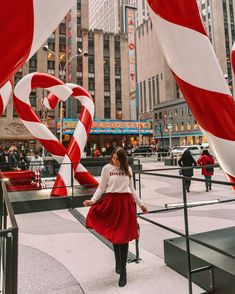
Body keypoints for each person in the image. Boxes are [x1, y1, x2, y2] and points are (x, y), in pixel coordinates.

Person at [83, 147, 148, 287]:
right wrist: (93, 200)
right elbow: (101, 187)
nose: (115, 161)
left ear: (123, 158)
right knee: (115, 235)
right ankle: (118, 263)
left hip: (125, 204)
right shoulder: (107, 168)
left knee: (123, 238)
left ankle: (123, 271)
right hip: (111, 203)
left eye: (117, 159)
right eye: (113, 158)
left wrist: (141, 205)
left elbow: (132, 190)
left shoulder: (128, 170)